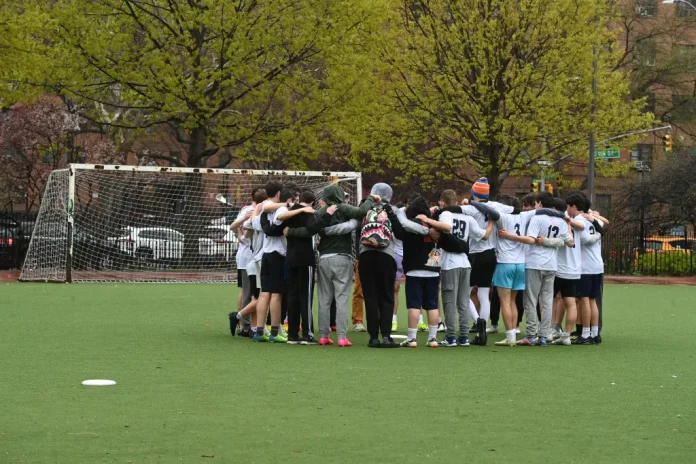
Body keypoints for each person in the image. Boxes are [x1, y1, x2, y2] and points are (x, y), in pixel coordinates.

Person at [287, 184, 376, 346]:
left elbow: (310, 229)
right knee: (341, 297)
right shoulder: (344, 207)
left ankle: (323, 335)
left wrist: (290, 232)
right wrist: (372, 198)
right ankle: (342, 336)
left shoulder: (321, 212)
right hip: (343, 256)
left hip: (324, 258)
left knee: (324, 298)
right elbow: (361, 212)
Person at [419, 190, 494, 347]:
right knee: (463, 301)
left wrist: (428, 220)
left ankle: (451, 336)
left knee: (449, 301)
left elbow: (446, 227)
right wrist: (493, 221)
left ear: (443, 203)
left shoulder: (447, 214)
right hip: (465, 262)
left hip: (450, 262)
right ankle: (464, 336)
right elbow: (484, 235)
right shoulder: (467, 217)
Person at [501, 192, 572, 346]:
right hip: (551, 264)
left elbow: (530, 240)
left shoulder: (537, 218)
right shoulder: (560, 220)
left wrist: (510, 236)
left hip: (534, 263)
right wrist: (550, 241)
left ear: (539, 203)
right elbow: (569, 241)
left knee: (531, 300)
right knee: (546, 301)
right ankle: (544, 336)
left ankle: (531, 334)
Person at [253, 183, 311, 343]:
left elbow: (253, 222)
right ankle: (274, 331)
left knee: (264, 293)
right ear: (280, 194)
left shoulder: (264, 208)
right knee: (277, 294)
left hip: (265, 253)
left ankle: (259, 330)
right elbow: (280, 218)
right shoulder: (281, 209)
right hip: (277, 254)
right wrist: (298, 208)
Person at [459, 178, 514, 340]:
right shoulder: (497, 206)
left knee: (465, 293)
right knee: (484, 294)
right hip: (491, 254)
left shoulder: (469, 208)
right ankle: (482, 325)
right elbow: (516, 210)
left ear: (474, 193)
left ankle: (478, 322)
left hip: (474, 254)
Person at [279, 190, 336, 344]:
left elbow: (279, 225)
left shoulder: (290, 213)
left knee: (292, 297)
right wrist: (328, 214)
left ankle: (292, 334)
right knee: (306, 297)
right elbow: (313, 228)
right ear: (312, 203)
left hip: (290, 258)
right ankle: (307, 334)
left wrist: (290, 231)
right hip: (305, 259)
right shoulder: (309, 213)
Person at [357, 183, 406, 347]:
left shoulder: (364, 208)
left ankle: (373, 337)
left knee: (370, 296)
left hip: (365, 255)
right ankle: (386, 336)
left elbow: (357, 231)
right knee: (386, 296)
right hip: (386, 255)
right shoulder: (392, 210)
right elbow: (400, 233)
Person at [550, 196, 586, 346]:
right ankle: (564, 334)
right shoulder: (579, 221)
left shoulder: (563, 222)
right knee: (569, 302)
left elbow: (570, 241)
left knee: (550, 300)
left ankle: (550, 330)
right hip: (574, 268)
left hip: (561, 268)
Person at [575, 194, 607, 345]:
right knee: (593, 300)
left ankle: (586, 334)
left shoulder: (579, 221)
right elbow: (603, 226)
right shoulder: (597, 220)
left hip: (585, 267)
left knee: (584, 300)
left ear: (574, 206)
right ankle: (594, 333)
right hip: (597, 265)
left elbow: (585, 240)